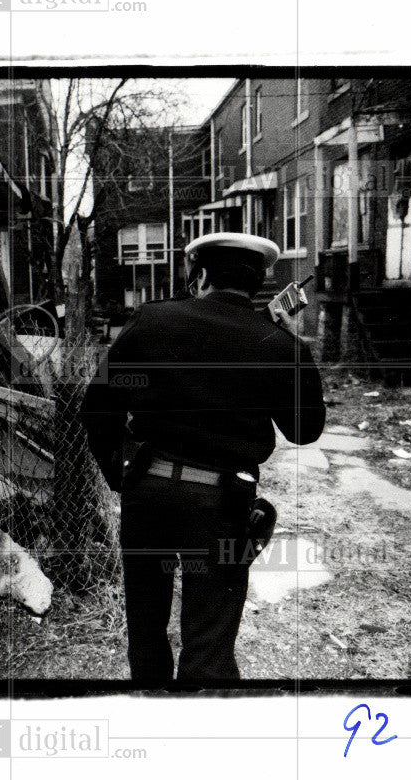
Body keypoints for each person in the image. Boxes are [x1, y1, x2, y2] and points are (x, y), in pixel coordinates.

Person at [80, 232, 326, 682]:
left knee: (147, 633)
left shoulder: (152, 320)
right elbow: (304, 429)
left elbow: (98, 407)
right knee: (208, 648)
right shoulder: (274, 342)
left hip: (149, 494)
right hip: (223, 505)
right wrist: (293, 345)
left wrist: (123, 474)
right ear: (258, 284)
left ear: (202, 274)